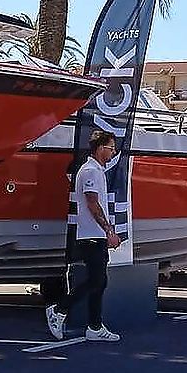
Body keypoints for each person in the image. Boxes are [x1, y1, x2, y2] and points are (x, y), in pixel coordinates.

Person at [45, 130, 122, 342]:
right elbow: (92, 203)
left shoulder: (97, 171)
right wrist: (109, 231)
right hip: (90, 235)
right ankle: (59, 310)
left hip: (95, 235)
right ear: (100, 148)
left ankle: (95, 326)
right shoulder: (90, 171)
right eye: (110, 148)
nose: (113, 152)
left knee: (100, 281)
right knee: (96, 279)